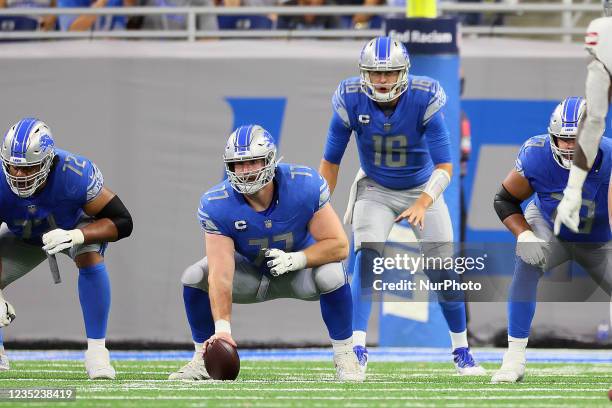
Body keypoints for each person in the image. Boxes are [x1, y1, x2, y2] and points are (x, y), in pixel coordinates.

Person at [318, 36, 485, 375]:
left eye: (390, 73)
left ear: (404, 72)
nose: (382, 80)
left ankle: (462, 351)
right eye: (375, 73)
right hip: (376, 188)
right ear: (363, 73)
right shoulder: (349, 99)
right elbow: (330, 162)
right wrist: (320, 206)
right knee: (365, 258)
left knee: (444, 272)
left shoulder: (425, 97)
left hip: (422, 187)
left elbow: (445, 166)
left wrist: (424, 202)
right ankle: (357, 350)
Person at [168, 125, 364, 382]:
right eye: (238, 164)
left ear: (270, 160)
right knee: (194, 276)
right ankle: (204, 359)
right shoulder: (217, 204)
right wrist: (223, 330)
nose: (245, 171)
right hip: (252, 275)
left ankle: (345, 355)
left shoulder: (303, 185)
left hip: (299, 273)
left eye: (252, 162)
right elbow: (220, 274)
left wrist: (295, 259)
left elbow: (339, 245)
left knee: (333, 274)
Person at [0, 117, 133, 379]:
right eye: (14, 168)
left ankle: (97, 354)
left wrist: (77, 235)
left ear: (48, 162)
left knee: (90, 255)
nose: (20, 176)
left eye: (30, 168)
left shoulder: (75, 173)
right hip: (23, 234)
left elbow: (123, 222)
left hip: (71, 227)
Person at [491, 97, 612, 383]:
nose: (569, 146)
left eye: (576, 139)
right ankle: (514, 358)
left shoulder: (609, 157)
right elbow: (504, 199)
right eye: (562, 139)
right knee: (528, 260)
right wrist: (524, 234)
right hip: (549, 226)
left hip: (598, 239)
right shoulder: (537, 154)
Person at [554, 0, 612, 235]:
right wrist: (573, 188)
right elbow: (594, 121)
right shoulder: (605, 35)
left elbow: (594, 121)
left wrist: (573, 188)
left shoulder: (604, 32)